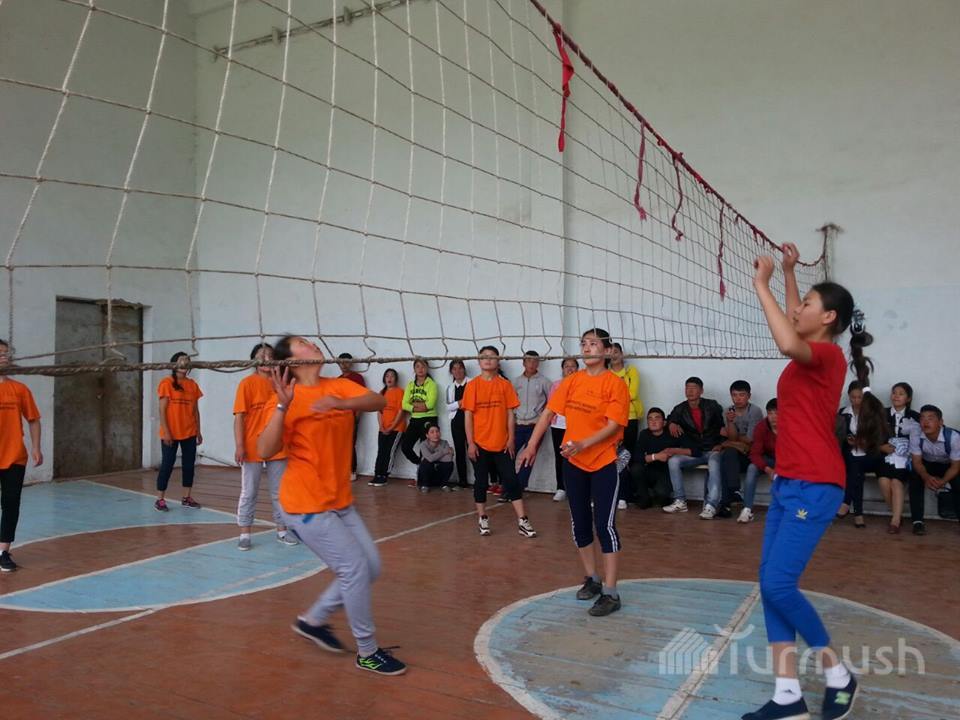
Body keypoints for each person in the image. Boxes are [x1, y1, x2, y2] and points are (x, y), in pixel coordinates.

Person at [742, 243, 885, 720]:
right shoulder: (813, 349)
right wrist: (787, 272)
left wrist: (760, 283)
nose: (797, 308)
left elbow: (788, 339)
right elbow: (793, 322)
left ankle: (838, 674)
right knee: (770, 584)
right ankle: (788, 695)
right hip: (789, 482)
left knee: (779, 585)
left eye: (807, 303)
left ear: (828, 318)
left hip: (817, 484)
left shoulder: (826, 356)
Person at [260, 336, 406, 676]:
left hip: (339, 500)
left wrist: (341, 403)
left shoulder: (336, 385)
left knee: (371, 567)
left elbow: (377, 400)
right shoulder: (284, 398)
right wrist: (282, 407)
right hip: (305, 504)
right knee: (354, 569)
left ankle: (313, 620)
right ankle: (367, 651)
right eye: (303, 343)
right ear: (291, 361)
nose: (313, 343)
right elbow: (264, 450)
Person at [517, 328, 630, 617]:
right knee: (579, 523)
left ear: (607, 351)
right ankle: (592, 578)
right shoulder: (572, 381)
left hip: (603, 462)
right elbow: (548, 414)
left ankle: (611, 592)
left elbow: (614, 426)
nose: (587, 348)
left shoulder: (615, 384)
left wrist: (583, 444)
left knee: (604, 526)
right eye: (583, 343)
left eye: (593, 343)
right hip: (574, 463)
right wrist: (531, 445)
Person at [461, 346, 536, 538]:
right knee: (480, 482)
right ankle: (482, 518)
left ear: (498, 361)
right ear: (478, 361)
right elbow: (468, 417)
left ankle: (523, 520)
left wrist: (511, 439)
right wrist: (471, 443)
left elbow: (511, 415)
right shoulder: (472, 386)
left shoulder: (505, 385)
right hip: (479, 444)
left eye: (492, 357)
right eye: (484, 357)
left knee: (511, 480)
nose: (488, 360)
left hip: (502, 444)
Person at [233, 343, 297, 550]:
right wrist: (239, 445)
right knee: (249, 491)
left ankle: (282, 530)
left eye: (270, 355)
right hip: (252, 446)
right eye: (262, 356)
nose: (266, 359)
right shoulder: (247, 383)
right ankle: (245, 533)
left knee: (279, 492)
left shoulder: (281, 383)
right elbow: (239, 417)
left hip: (277, 445)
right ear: (254, 360)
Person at [0, 340, 42, 573]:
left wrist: (36, 447)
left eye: (6, 353)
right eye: (0, 353)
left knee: (11, 503)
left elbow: (33, 420)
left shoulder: (20, 389)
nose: (4, 357)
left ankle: (3, 551)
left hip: (15, 456)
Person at [663, 377, 725, 518]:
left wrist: (721, 444)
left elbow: (721, 427)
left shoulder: (712, 406)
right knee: (673, 461)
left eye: (694, 388)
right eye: (687, 388)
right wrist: (671, 423)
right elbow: (670, 418)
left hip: (712, 449)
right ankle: (680, 501)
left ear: (701, 391)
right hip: (694, 452)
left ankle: (711, 505)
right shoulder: (680, 409)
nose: (690, 391)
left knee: (714, 463)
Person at [155, 351, 203, 512]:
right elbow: (162, 410)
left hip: (189, 432)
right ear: (174, 365)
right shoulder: (166, 383)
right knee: (167, 465)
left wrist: (198, 431)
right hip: (171, 433)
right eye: (181, 360)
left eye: (187, 361)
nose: (184, 363)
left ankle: (186, 497)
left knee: (189, 466)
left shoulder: (192, 385)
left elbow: (195, 411)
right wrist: (166, 432)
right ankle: (160, 499)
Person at [836, 380, 886, 528]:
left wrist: (864, 442)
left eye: (860, 397)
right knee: (855, 469)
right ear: (849, 396)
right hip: (851, 453)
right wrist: (849, 440)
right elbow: (839, 435)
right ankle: (858, 515)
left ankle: (846, 502)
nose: (856, 401)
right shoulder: (844, 412)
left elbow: (878, 437)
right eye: (853, 397)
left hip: (870, 454)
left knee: (855, 468)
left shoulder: (872, 413)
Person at [907, 404, 960, 536]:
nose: (926, 422)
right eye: (922, 418)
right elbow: (917, 462)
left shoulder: (953, 437)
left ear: (941, 422)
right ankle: (917, 522)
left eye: (930, 418)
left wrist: (943, 481)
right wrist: (926, 477)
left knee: (958, 481)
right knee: (915, 477)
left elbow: (955, 466)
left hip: (948, 464)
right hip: (927, 463)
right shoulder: (916, 435)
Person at [876, 382, 920, 533]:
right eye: (894, 392)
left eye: (901, 394)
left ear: (908, 398)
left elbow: (919, 441)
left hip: (905, 459)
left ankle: (894, 522)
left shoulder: (915, 416)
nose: (896, 396)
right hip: (885, 456)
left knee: (896, 482)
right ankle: (898, 514)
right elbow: (871, 435)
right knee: (883, 481)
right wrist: (881, 447)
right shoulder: (881, 413)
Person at [717, 380, 765, 514]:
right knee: (726, 456)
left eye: (741, 395)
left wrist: (728, 441)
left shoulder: (754, 411)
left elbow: (750, 440)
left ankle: (726, 503)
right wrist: (730, 422)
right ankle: (733, 493)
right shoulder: (728, 411)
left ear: (749, 396)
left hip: (752, 454)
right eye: (734, 395)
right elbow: (733, 439)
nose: (737, 399)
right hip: (736, 454)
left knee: (726, 455)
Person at [633, 407, 690, 509]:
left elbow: (691, 450)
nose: (653, 421)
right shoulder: (644, 434)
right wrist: (656, 456)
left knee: (662, 497)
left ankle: (660, 495)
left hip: (666, 473)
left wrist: (673, 451)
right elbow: (637, 457)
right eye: (650, 419)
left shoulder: (673, 432)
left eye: (657, 418)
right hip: (649, 470)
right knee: (636, 468)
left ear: (664, 422)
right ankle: (644, 497)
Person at [512, 350, 552, 490]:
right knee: (508, 454)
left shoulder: (544, 382)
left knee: (528, 457)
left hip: (535, 425)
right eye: (528, 360)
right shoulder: (516, 382)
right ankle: (508, 485)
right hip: (518, 424)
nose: (532, 363)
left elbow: (552, 402)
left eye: (535, 360)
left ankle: (518, 488)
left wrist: (543, 417)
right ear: (523, 362)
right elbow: (510, 402)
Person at [610, 343, 642, 510]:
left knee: (626, 456)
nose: (613, 355)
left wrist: (614, 397)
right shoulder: (606, 373)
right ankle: (611, 494)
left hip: (630, 418)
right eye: (610, 352)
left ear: (622, 354)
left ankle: (625, 495)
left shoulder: (631, 371)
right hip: (610, 419)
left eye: (616, 352)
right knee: (609, 457)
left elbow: (632, 394)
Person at [740, 398, 779, 523]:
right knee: (752, 467)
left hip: (787, 462)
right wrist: (768, 469)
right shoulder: (762, 427)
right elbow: (755, 453)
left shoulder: (792, 427)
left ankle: (788, 509)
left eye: (777, 413)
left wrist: (779, 469)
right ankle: (747, 509)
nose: (773, 417)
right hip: (768, 460)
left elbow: (794, 453)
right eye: (770, 413)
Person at [548, 357, 579, 502]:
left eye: (573, 366)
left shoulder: (582, 384)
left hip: (576, 426)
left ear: (578, 369)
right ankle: (561, 487)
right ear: (562, 369)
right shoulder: (556, 385)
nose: (570, 369)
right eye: (567, 366)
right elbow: (550, 405)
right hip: (559, 425)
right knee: (560, 456)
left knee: (576, 457)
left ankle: (576, 488)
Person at [370, 368, 407, 487]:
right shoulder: (382, 393)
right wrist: (381, 426)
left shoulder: (400, 392)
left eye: (392, 376)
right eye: (387, 376)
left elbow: (401, 412)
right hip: (383, 429)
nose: (389, 378)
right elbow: (379, 411)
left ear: (396, 379)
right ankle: (377, 474)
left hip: (396, 428)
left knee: (389, 452)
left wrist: (391, 427)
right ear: (384, 379)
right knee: (381, 451)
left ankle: (384, 476)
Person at [399, 358, 439, 467]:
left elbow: (430, 405)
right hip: (415, 420)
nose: (420, 369)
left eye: (423, 366)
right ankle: (419, 464)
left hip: (429, 419)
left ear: (427, 368)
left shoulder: (432, 384)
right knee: (405, 446)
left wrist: (412, 405)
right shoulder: (410, 385)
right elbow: (404, 404)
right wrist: (419, 407)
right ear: (414, 369)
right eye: (417, 366)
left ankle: (424, 474)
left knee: (425, 449)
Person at [337, 353, 366, 481]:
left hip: (352, 415)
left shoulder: (357, 378)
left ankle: (352, 470)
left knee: (350, 443)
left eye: (346, 362)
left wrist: (357, 414)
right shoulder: (338, 380)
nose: (344, 364)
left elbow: (362, 397)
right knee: (340, 444)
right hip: (339, 417)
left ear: (351, 363)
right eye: (341, 362)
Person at [445, 359, 470, 488]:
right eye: (454, 369)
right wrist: (460, 403)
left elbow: (474, 401)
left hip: (471, 421)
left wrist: (459, 404)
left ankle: (483, 481)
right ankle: (462, 481)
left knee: (475, 450)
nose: (457, 371)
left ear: (464, 369)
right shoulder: (450, 387)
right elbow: (448, 406)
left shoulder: (472, 383)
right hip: (456, 421)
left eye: (460, 368)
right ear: (451, 372)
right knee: (460, 451)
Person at [416, 422, 455, 492]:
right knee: (426, 462)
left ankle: (444, 485)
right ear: (427, 435)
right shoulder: (423, 444)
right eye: (432, 432)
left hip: (438, 475)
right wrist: (444, 452)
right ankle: (425, 485)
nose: (435, 434)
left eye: (437, 431)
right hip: (427, 475)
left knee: (450, 464)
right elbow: (430, 459)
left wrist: (434, 457)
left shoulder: (444, 443)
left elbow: (449, 458)